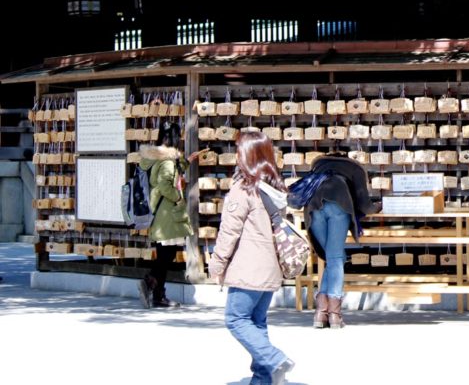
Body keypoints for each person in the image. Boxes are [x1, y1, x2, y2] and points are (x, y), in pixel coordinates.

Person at [208, 132, 295, 385]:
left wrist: (217, 264)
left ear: (247, 155)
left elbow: (229, 232)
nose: (235, 155)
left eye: (238, 150)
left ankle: (274, 359)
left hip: (249, 266)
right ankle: (262, 379)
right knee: (257, 322)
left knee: (236, 319)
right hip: (270, 266)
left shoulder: (243, 188)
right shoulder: (275, 187)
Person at [301, 152, 377, 329]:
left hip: (313, 209)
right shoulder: (355, 168)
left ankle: (321, 312)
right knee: (335, 258)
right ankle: (334, 314)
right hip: (338, 206)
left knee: (333, 257)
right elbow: (365, 205)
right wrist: (378, 207)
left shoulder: (318, 165)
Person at [138, 120, 191, 308]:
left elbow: (173, 172)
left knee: (165, 253)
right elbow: (165, 184)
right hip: (167, 214)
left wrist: (187, 160)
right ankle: (151, 281)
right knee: (167, 254)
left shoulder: (154, 156)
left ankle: (158, 293)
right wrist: (178, 198)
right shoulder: (167, 160)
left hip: (157, 212)